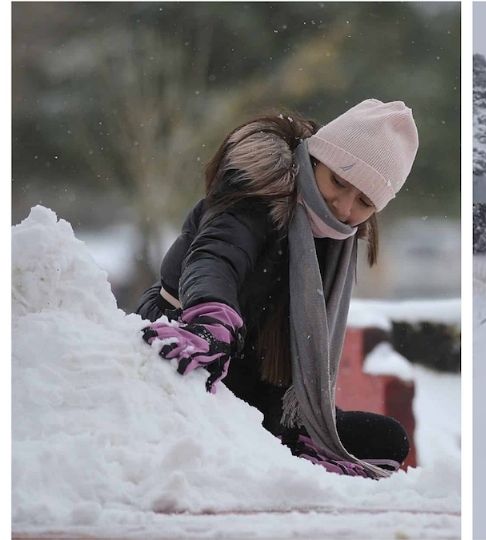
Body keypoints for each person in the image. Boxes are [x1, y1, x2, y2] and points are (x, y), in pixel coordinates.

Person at [137, 99, 419, 479]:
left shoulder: (336, 242)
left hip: (264, 384)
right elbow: (216, 256)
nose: (342, 205)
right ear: (316, 159)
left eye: (365, 201)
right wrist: (210, 316)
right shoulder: (256, 197)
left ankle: (295, 446)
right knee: (225, 413)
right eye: (338, 180)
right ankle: (276, 451)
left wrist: (309, 417)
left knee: (387, 440)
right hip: (195, 343)